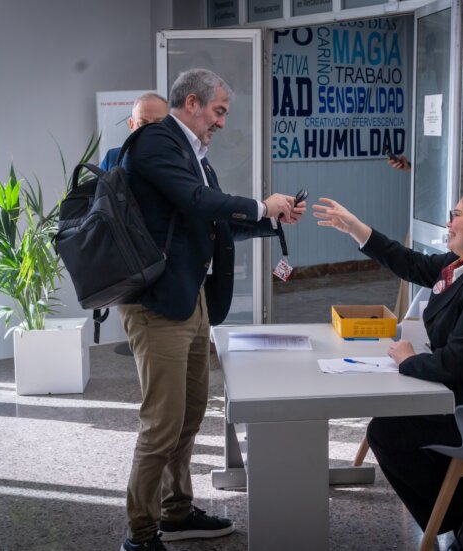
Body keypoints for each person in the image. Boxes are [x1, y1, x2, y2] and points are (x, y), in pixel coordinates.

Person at [118, 68, 305, 551]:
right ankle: (140, 534)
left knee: (189, 416)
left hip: (190, 298)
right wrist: (261, 205)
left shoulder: (193, 155)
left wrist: (272, 219)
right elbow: (199, 201)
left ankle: (176, 512)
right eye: (218, 111)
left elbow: (212, 220)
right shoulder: (156, 143)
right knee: (162, 424)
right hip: (158, 305)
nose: (221, 122)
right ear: (192, 103)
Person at [313, 191, 463, 551]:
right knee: (393, 425)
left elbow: (455, 364)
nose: (449, 223)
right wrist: (356, 228)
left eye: (456, 215)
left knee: (387, 432)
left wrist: (408, 360)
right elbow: (412, 263)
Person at [99, 92, 169, 170]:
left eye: (159, 123)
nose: (150, 129)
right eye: (143, 123)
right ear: (131, 124)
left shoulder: (179, 160)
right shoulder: (112, 159)